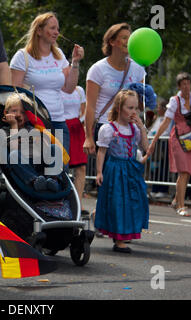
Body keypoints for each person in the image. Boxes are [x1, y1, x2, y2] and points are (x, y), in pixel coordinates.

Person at [10, 12, 84, 165]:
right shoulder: (22, 56)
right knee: (37, 169)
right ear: (39, 31)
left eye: (58, 28)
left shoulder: (59, 56)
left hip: (58, 121)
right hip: (34, 122)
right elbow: (14, 92)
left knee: (60, 170)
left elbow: (69, 88)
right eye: (52, 28)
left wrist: (75, 62)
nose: (57, 32)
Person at [94, 90, 150, 253]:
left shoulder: (135, 129)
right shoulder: (109, 128)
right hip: (116, 169)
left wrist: (142, 127)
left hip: (131, 169)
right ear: (119, 108)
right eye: (130, 107)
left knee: (134, 202)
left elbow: (146, 148)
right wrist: (99, 172)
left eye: (136, 108)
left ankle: (127, 231)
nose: (134, 112)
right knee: (118, 203)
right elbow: (102, 151)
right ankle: (119, 239)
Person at [148, 72, 191, 217]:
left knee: (187, 172)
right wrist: (155, 139)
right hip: (178, 137)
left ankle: (176, 199)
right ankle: (181, 206)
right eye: (183, 84)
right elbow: (166, 122)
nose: (187, 86)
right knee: (183, 171)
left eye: (188, 83)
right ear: (179, 86)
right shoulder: (175, 101)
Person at [83, 23, 146, 156]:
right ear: (112, 41)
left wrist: (146, 96)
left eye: (130, 38)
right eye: (124, 38)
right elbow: (90, 107)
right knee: (109, 173)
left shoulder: (138, 69)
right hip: (106, 128)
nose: (128, 42)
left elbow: (141, 105)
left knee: (127, 173)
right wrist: (88, 137)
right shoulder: (98, 69)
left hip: (128, 129)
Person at [1, 92, 60, 192]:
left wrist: (40, 140)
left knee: (54, 148)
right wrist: (14, 125)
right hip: (23, 166)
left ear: (28, 115)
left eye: (23, 112)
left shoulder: (33, 129)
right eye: (14, 111)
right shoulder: (4, 131)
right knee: (14, 155)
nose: (18, 114)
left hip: (39, 163)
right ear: (6, 113)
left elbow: (46, 150)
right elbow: (14, 149)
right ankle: (34, 181)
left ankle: (54, 179)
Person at [61, 85, 88, 211]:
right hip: (61, 125)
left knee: (81, 167)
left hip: (76, 128)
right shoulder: (55, 88)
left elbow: (83, 110)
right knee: (61, 167)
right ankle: (62, 201)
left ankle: (78, 203)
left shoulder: (79, 90)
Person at [148, 100, 171, 198]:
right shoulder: (158, 119)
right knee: (155, 168)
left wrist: (155, 135)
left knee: (162, 168)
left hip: (163, 145)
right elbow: (153, 130)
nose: (157, 109)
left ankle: (162, 189)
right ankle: (155, 188)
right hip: (156, 145)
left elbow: (166, 131)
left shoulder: (168, 119)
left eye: (159, 107)